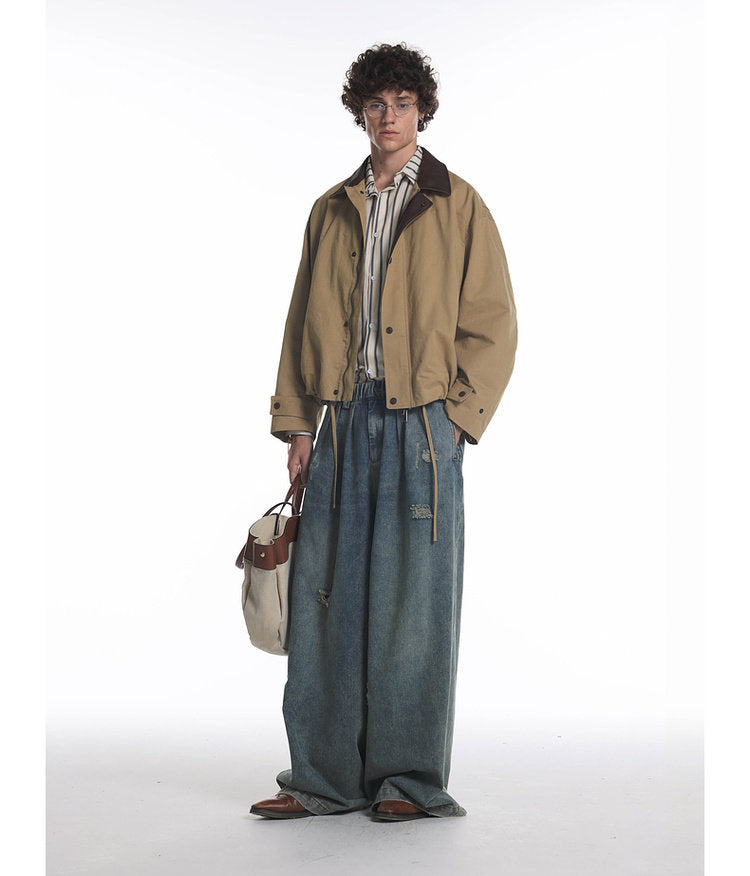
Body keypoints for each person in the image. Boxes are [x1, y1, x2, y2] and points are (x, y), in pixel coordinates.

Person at [250, 42, 517, 822]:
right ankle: (323, 778)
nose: (388, 116)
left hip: (422, 424)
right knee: (325, 598)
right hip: (340, 419)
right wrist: (298, 424)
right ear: (360, 113)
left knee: (413, 606)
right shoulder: (331, 207)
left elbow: (494, 322)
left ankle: (406, 780)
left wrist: (456, 419)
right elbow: (300, 321)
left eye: (402, 102)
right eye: (376, 104)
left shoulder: (457, 203)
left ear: (422, 111)